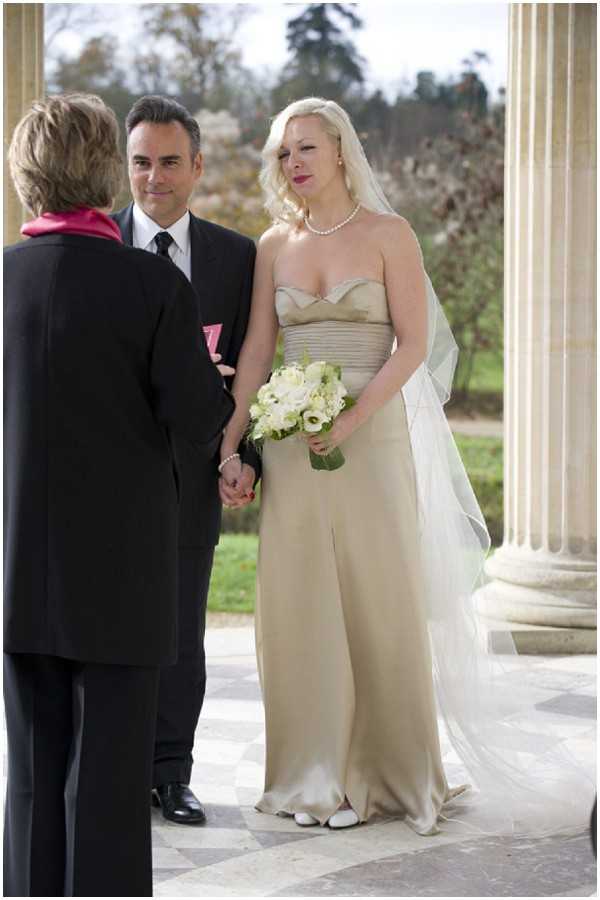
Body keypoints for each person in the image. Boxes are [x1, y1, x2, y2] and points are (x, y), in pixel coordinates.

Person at [219, 97, 594, 837]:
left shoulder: (390, 235)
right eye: (281, 154)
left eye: (305, 149)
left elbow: (414, 345)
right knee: (301, 607)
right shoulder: (272, 246)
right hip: (296, 446)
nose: (293, 164)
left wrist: (354, 420)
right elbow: (259, 354)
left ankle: (383, 776)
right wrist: (234, 446)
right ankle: (314, 772)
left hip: (374, 438)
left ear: (340, 151)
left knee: (377, 601)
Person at [3, 93, 234, 897]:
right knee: (105, 788)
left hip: (20, 574)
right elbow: (201, 419)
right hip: (123, 581)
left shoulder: (2, 280)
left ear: (25, 176)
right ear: (107, 172)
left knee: (31, 781)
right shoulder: (153, 287)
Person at [113, 95, 259, 826]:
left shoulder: (238, 258)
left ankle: (172, 772)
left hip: (192, 477)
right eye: (141, 161)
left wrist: (244, 455)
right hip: (103, 482)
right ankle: (110, 771)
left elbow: (256, 365)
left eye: (170, 161)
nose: (154, 177)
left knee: (180, 633)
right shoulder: (97, 247)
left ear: (197, 166)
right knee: (105, 629)